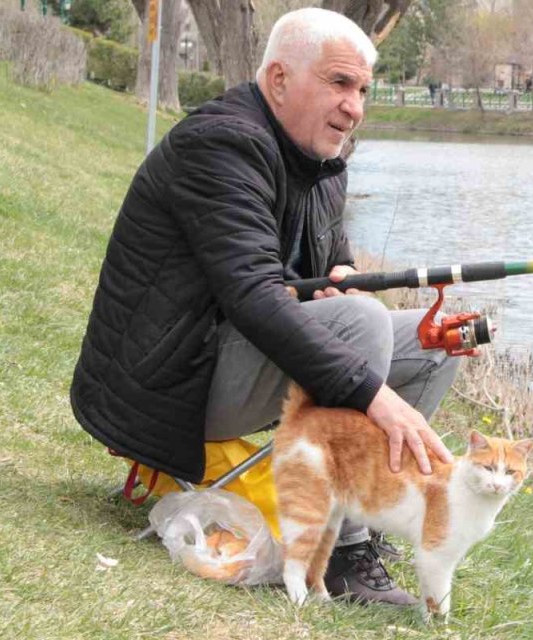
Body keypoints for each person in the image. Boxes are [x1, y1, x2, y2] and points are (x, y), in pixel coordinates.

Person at [69, 8, 460, 606]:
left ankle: (365, 521)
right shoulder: (222, 144)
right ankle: (343, 557)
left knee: (434, 348)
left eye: (361, 90)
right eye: (338, 83)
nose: (354, 106)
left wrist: (346, 277)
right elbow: (253, 296)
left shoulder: (324, 161)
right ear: (278, 79)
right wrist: (373, 395)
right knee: (360, 326)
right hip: (167, 383)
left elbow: (329, 264)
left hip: (229, 361)